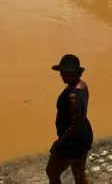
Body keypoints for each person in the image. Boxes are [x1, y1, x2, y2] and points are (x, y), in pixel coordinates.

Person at [46, 54, 93, 184]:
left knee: (52, 172)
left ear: (75, 72)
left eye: (65, 72)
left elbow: (74, 126)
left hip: (73, 140)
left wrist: (58, 144)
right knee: (79, 172)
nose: (62, 74)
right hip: (85, 135)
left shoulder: (73, 96)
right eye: (61, 71)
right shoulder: (82, 85)